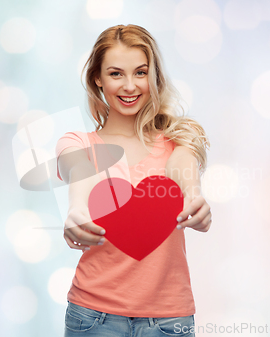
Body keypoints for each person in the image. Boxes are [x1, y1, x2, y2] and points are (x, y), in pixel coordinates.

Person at [55, 24, 211, 337]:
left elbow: (182, 166)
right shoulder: (78, 142)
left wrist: (194, 197)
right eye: (116, 74)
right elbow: (80, 169)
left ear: (154, 76)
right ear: (97, 78)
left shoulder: (179, 138)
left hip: (169, 321)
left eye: (140, 72)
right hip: (92, 317)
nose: (130, 86)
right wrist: (76, 210)